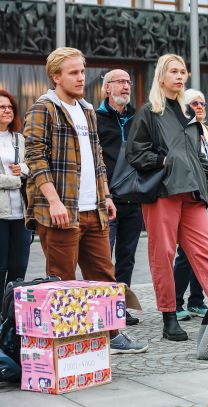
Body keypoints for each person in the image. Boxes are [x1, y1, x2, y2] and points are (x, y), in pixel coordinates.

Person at [23, 47, 147, 353]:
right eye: (74, 72)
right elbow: (35, 158)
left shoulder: (87, 110)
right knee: (63, 281)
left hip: (94, 210)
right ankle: (67, 343)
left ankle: (113, 334)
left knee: (104, 277)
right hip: (62, 210)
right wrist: (53, 201)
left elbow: (97, 158)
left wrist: (105, 195)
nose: (81, 78)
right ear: (56, 76)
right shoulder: (44, 108)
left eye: (82, 71)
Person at [126, 54, 208, 341]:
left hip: (192, 193)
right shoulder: (149, 112)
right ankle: (169, 317)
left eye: (183, 71)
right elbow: (135, 153)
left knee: (207, 253)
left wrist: (204, 179)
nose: (180, 75)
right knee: (163, 256)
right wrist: (163, 162)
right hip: (162, 192)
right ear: (161, 77)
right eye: (174, 71)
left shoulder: (188, 113)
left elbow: (196, 153)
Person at [173, 88, 208, 321]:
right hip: (191, 199)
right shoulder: (181, 131)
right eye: (194, 103)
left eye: (203, 103)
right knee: (186, 254)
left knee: (205, 251)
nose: (200, 107)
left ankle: (196, 300)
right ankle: (175, 302)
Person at [96, 69, 141, 326]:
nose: (125, 86)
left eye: (128, 82)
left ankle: (119, 308)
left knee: (127, 257)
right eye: (120, 82)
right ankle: (104, 310)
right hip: (108, 200)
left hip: (134, 199)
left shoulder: (139, 118)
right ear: (107, 88)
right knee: (104, 257)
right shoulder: (96, 118)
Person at [0, 89, 31, 302]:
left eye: (10, 107)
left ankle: (12, 316)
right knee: (0, 267)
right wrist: (15, 180)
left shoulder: (20, 139)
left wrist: (25, 170)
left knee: (19, 266)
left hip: (21, 212)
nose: (7, 110)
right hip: (0, 214)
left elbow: (31, 165)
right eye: (2, 107)